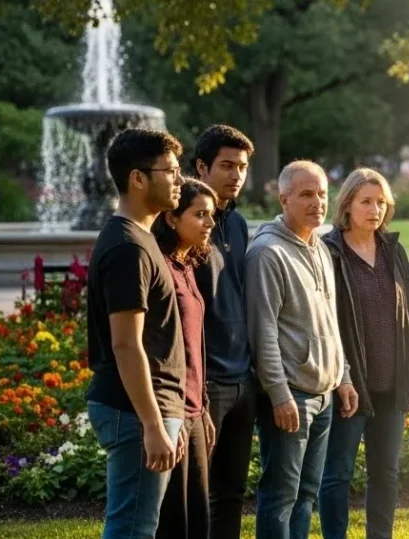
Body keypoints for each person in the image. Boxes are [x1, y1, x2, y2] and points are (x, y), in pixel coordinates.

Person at [247, 160, 360, 539]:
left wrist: (342, 376)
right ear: (284, 198)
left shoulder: (321, 248)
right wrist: (279, 395)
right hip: (291, 396)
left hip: (324, 394)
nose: (317, 203)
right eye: (306, 194)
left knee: (306, 495)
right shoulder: (267, 253)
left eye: (322, 194)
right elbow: (261, 332)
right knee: (281, 496)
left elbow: (331, 320)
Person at [85, 128, 187, 539]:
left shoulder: (140, 240)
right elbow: (126, 344)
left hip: (147, 408)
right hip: (134, 411)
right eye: (171, 171)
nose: (179, 181)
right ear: (138, 179)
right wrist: (152, 424)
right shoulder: (129, 249)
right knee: (132, 529)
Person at [319, 169, 409, 539]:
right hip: (350, 385)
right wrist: (342, 378)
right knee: (338, 473)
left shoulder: (393, 251)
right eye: (366, 201)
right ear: (347, 204)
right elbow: (326, 322)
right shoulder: (329, 253)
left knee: (387, 473)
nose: (375, 209)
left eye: (381, 202)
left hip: (392, 383)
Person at [191, 124, 258, 539]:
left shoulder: (238, 225)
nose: (236, 175)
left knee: (231, 493)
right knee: (195, 494)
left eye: (243, 167)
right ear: (202, 166)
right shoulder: (185, 223)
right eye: (227, 165)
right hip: (208, 382)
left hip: (243, 380)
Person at [153, 180, 219, 539]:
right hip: (172, 411)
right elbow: (159, 352)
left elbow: (195, 346)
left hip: (194, 409)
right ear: (172, 219)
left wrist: (203, 407)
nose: (210, 223)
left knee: (199, 521)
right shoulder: (161, 268)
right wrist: (172, 416)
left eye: (211, 215)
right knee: (173, 523)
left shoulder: (187, 265)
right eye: (199, 214)